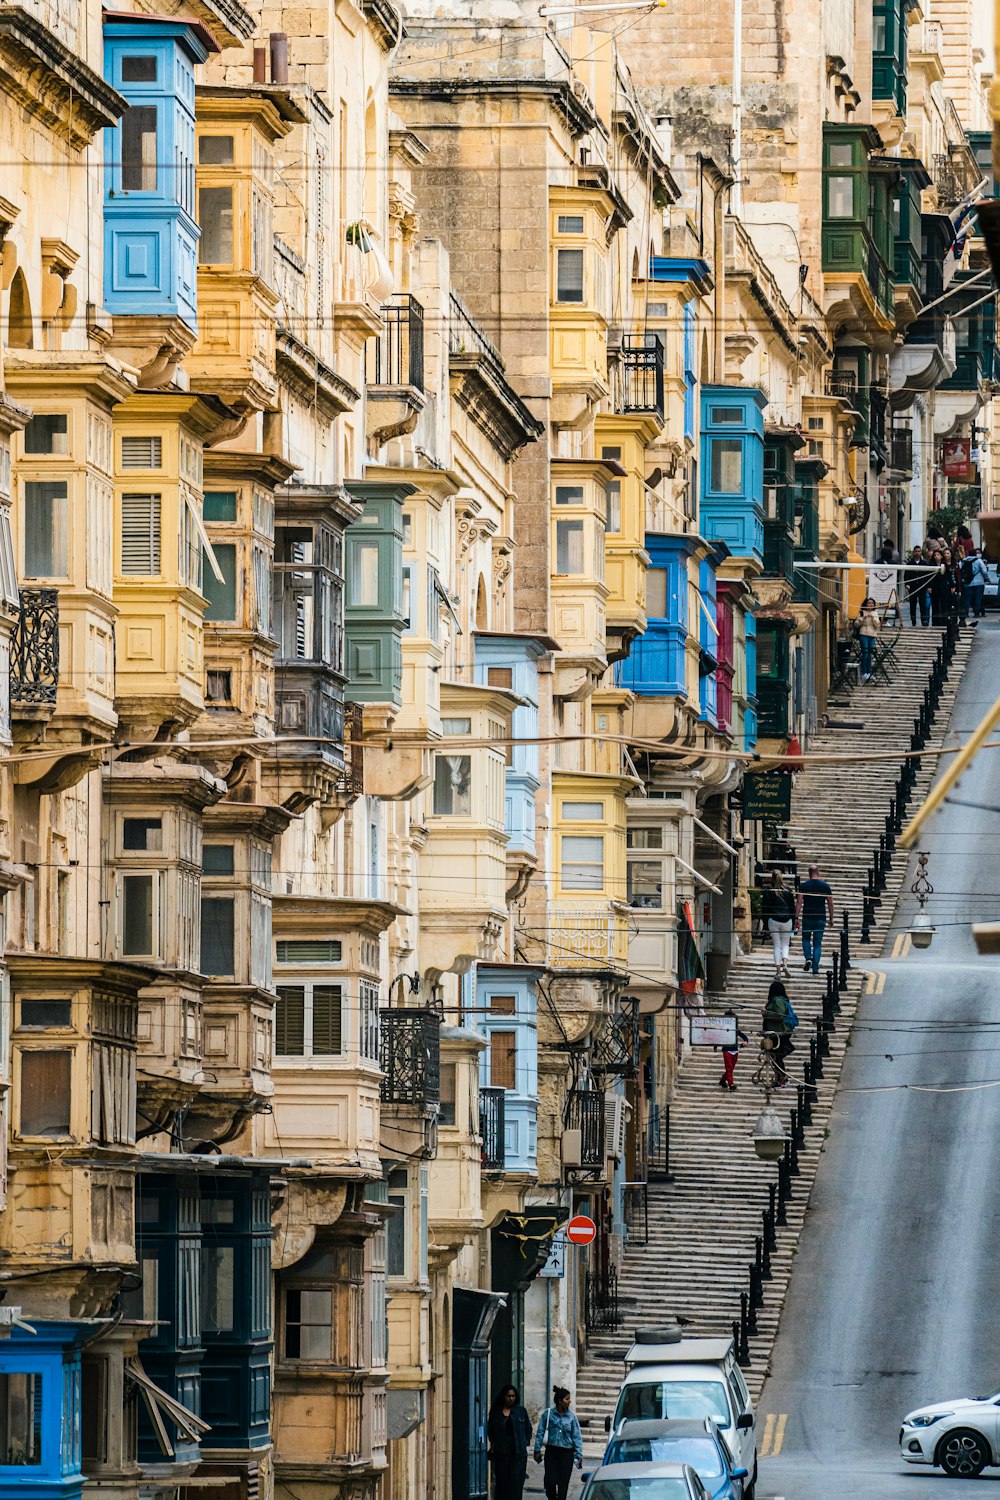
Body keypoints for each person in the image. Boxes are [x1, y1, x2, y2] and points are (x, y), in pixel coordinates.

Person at [534, 1387, 582, 1500]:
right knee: (550, 1481)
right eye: (567, 1399)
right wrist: (537, 1449)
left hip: (567, 1453)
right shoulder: (548, 1414)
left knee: (563, 1484)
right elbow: (540, 1432)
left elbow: (577, 1436)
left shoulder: (572, 1417)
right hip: (552, 1452)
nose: (569, 1401)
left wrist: (579, 1455)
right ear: (560, 1401)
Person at [488, 1385, 532, 1500]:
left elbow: (528, 1428)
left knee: (516, 1485)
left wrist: (524, 1442)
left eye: (513, 1396)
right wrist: (495, 1443)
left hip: (518, 1456)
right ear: (504, 1397)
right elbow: (490, 1430)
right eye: (508, 1396)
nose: (511, 1398)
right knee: (502, 1486)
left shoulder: (521, 1411)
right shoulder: (496, 1412)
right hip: (501, 1455)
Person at [795, 863, 835, 974]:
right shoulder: (825, 886)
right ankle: (816, 968)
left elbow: (799, 901)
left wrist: (796, 917)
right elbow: (830, 903)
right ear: (818, 872)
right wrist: (831, 918)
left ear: (809, 874)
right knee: (817, 943)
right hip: (820, 917)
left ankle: (808, 958)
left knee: (806, 939)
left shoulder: (803, 886)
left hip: (807, 916)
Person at [761, 869, 797, 977]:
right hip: (787, 920)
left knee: (777, 945)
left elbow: (765, 908)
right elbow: (792, 907)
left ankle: (778, 972)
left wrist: (765, 925)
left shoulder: (768, 891)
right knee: (785, 944)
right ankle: (785, 964)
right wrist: (794, 921)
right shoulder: (788, 890)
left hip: (773, 919)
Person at [762, 979, 798, 1080]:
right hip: (776, 1032)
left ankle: (782, 1078)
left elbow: (780, 1015)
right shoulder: (780, 999)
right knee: (775, 1056)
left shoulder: (777, 1000)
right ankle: (780, 1077)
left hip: (779, 1032)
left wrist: (766, 1014)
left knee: (776, 1056)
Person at [719, 1008, 750, 1091]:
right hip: (726, 1050)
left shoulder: (735, 1029)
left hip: (735, 1050)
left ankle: (723, 1080)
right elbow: (717, 1037)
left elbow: (744, 1036)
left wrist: (745, 1041)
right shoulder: (723, 1029)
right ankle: (731, 1084)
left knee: (731, 1068)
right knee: (729, 1068)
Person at [907, 545, 932, 628]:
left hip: (922, 586)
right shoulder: (910, 563)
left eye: (919, 551)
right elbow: (906, 574)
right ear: (914, 552)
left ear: (921, 552)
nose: (917, 553)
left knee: (923, 604)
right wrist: (907, 584)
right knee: (912, 605)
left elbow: (927, 575)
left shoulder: (924, 563)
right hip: (913, 586)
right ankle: (913, 620)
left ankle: (924, 620)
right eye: (916, 551)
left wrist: (928, 586)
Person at [962, 549, 989, 623]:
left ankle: (965, 613)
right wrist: (986, 578)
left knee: (967, 598)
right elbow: (984, 570)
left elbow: (961, 570)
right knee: (978, 597)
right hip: (979, 582)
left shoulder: (964, 561)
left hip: (968, 582)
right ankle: (976, 613)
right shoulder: (979, 560)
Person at [856, 598, 879, 682]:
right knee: (865, 653)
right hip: (864, 634)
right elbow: (856, 624)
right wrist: (862, 619)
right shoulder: (862, 612)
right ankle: (864, 672)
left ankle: (869, 672)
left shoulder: (875, 613)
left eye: (872, 603)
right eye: (869, 603)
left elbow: (877, 626)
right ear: (866, 604)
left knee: (870, 654)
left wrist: (873, 619)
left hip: (872, 635)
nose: (871, 605)